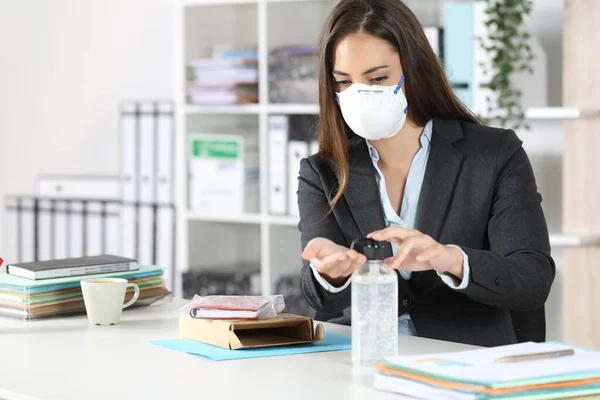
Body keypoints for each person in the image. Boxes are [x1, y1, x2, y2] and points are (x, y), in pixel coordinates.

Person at [298, 0, 555, 347]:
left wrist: (452, 260)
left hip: (465, 360)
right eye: (344, 82)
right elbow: (320, 300)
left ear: (413, 70)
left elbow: (532, 279)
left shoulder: (494, 154)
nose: (361, 94)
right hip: (361, 360)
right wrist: (329, 273)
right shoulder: (321, 172)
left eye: (378, 78)